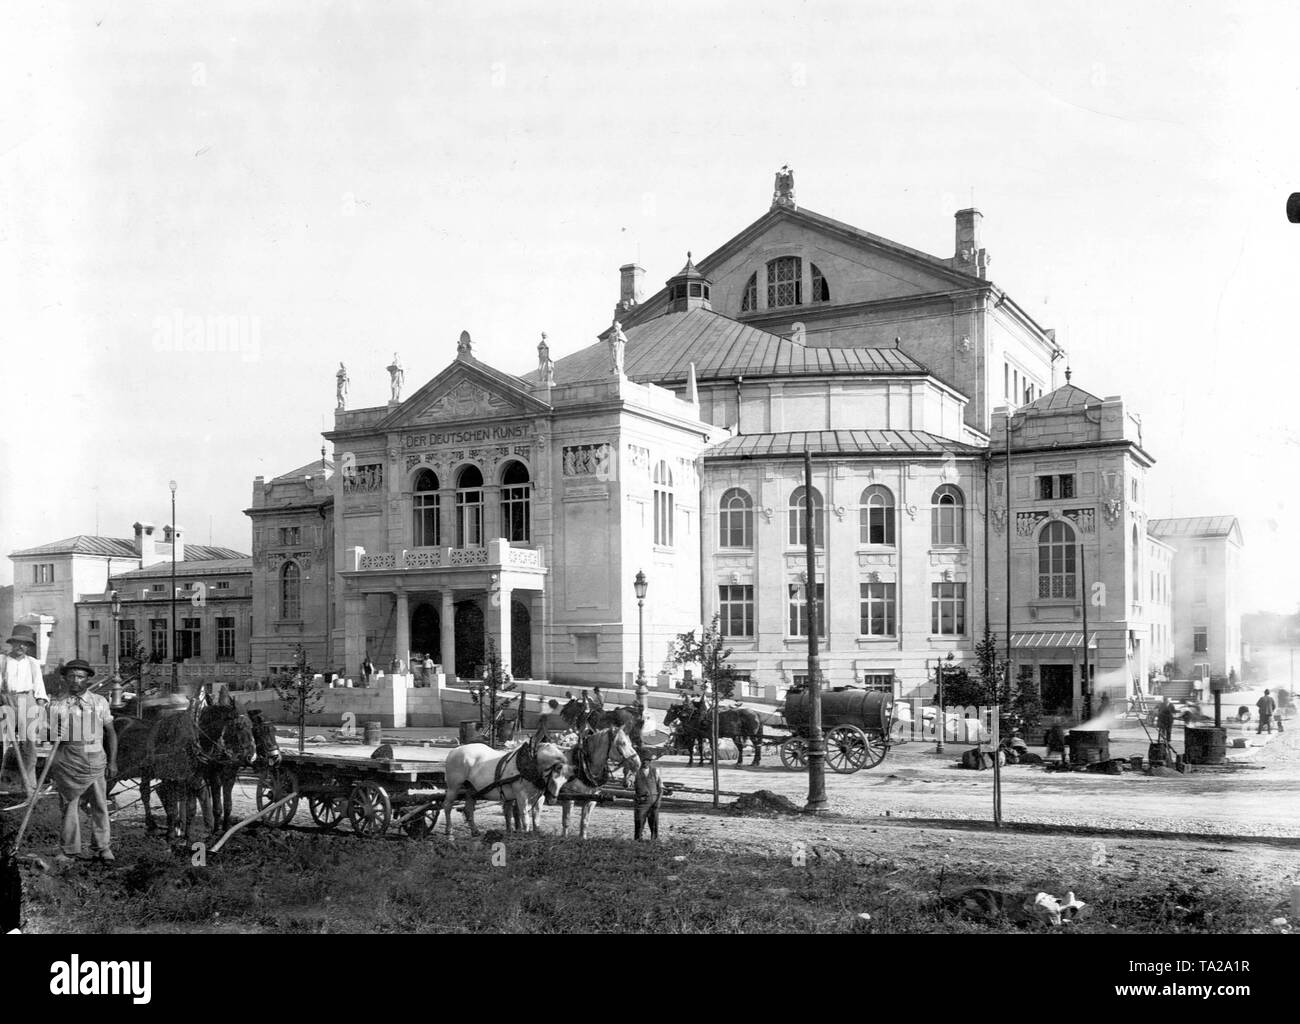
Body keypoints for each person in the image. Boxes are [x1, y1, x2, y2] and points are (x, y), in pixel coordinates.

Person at [48, 660, 117, 864]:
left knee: (100, 804)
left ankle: (103, 848)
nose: (75, 681)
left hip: (94, 755)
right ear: (65, 678)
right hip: (68, 758)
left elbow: (111, 733)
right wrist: (54, 732)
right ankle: (69, 849)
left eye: (80, 676)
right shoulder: (57, 704)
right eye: (71, 676)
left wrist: (112, 762)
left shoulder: (99, 702)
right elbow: (50, 736)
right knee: (69, 805)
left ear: (87, 679)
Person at [1, 624, 50, 793]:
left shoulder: (33, 663)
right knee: (2, 741)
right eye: (17, 642)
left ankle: (29, 786)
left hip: (27, 700)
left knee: (29, 745)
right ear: (12, 643)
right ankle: (5, 782)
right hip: (6, 699)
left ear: (28, 646)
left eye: (25, 644)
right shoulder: (2, 661)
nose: (21, 646)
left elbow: (39, 687)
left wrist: (40, 710)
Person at [633, 747, 662, 841]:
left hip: (654, 801)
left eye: (647, 760)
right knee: (639, 824)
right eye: (643, 760)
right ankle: (637, 843)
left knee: (654, 824)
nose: (645, 762)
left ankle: (654, 842)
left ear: (650, 761)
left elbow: (660, 788)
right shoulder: (635, 772)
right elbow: (627, 784)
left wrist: (658, 801)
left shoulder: (655, 771)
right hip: (641, 802)